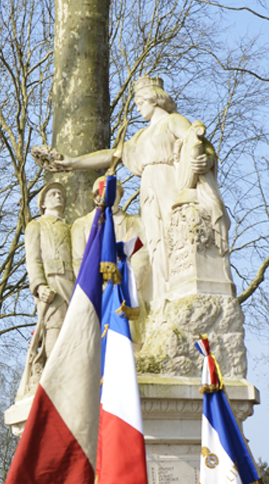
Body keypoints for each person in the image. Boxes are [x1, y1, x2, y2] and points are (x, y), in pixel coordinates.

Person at [50, 75, 229, 308]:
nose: (137, 107)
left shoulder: (172, 121)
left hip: (169, 183)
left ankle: (177, 289)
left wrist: (207, 160)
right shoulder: (139, 137)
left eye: (140, 102)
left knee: (172, 233)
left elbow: (196, 142)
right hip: (149, 191)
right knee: (154, 241)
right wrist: (72, 163)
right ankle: (162, 296)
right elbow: (112, 155)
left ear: (154, 99)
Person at [71, 176, 151, 348]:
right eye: (106, 193)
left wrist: (125, 282)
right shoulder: (82, 225)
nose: (111, 197)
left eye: (115, 193)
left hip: (127, 291)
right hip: (96, 293)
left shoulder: (134, 222)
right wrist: (99, 285)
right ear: (95, 197)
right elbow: (79, 262)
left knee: (131, 343)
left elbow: (142, 255)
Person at [17, 182, 75, 400]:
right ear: (42, 203)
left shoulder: (71, 227)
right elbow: (32, 260)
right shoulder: (36, 226)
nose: (58, 196)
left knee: (73, 331)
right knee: (54, 329)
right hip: (52, 285)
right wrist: (39, 286)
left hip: (73, 285)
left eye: (60, 193)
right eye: (52, 193)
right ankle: (52, 379)